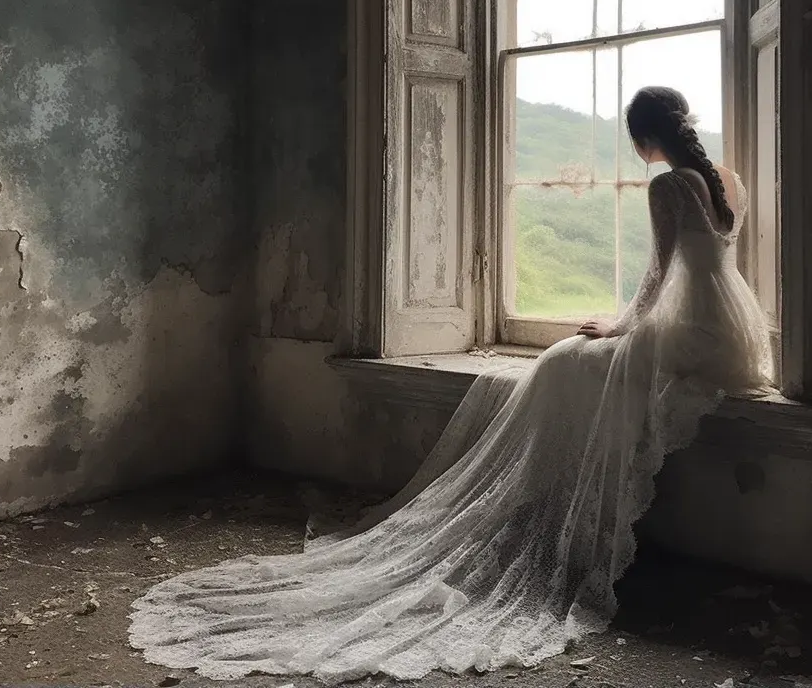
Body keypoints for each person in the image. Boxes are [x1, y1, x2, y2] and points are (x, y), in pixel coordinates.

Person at [129, 87, 771, 685]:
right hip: (729, 331)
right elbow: (707, 270)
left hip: (684, 334)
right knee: (569, 367)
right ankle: (545, 503)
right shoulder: (729, 182)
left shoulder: (667, 185)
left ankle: (538, 508)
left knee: (560, 364)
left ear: (644, 137)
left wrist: (615, 327)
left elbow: (656, 281)